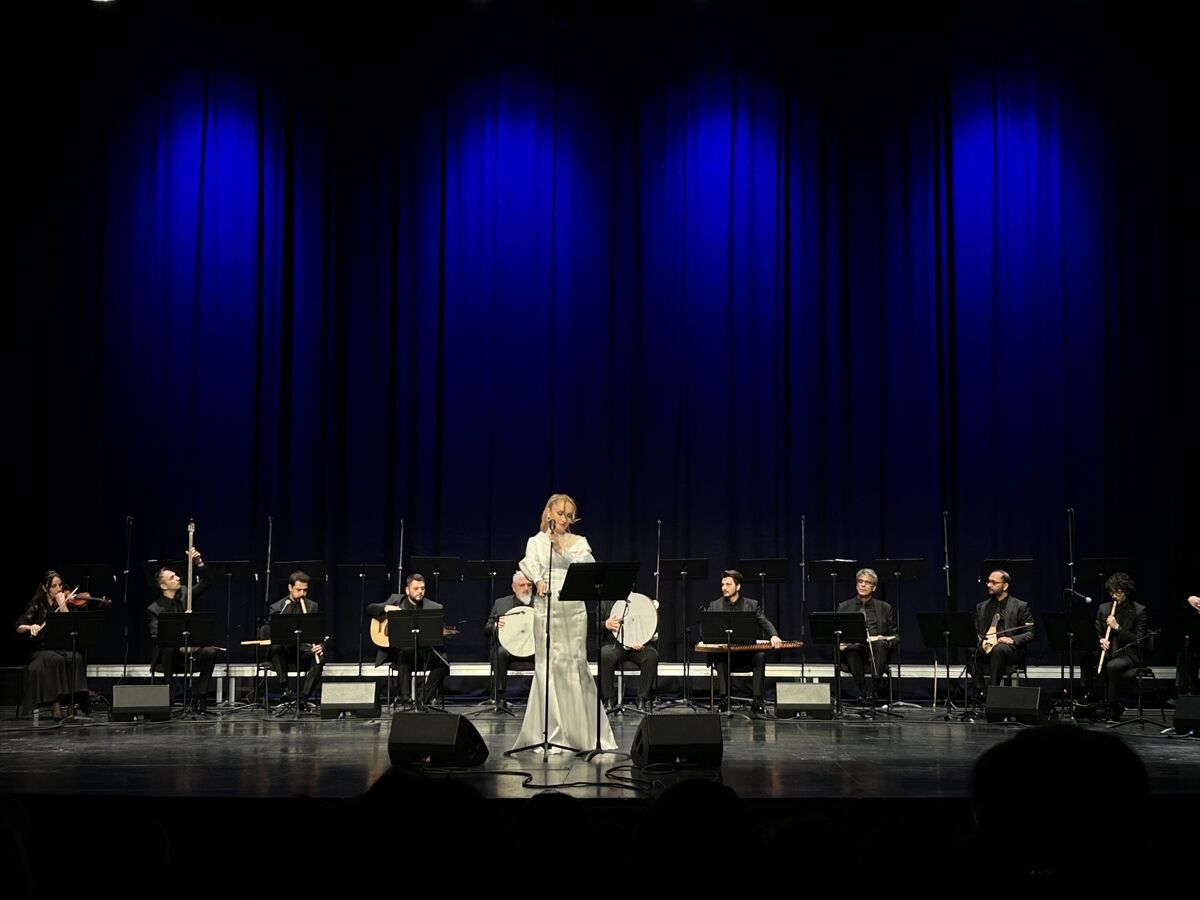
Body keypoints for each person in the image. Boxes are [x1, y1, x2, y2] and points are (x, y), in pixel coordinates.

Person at [512, 493, 616, 753]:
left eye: (569, 516)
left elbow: (589, 567)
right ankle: (550, 731)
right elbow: (530, 564)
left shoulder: (579, 542)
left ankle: (579, 733)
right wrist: (538, 581)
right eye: (560, 514)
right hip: (546, 606)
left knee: (574, 663)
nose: (564, 520)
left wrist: (561, 550)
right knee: (548, 664)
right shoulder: (536, 541)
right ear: (548, 513)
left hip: (572, 607)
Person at [146, 548, 218, 711]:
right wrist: (180, 625)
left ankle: (201, 697)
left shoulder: (185, 593)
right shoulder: (155, 609)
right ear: (163, 586)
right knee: (168, 647)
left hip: (190, 650)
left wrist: (199, 563)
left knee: (210, 651)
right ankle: (168, 694)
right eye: (172, 577)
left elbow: (207, 582)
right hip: (171, 656)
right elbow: (157, 636)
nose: (178, 578)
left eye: (176, 575)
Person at [14, 571, 90, 720]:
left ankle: (72, 705)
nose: (58, 589)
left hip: (60, 648)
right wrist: (30, 627)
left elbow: (70, 627)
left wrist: (62, 605)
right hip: (40, 650)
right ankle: (56, 705)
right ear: (45, 588)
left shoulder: (64, 604)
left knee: (77, 657)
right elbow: (18, 626)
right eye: (54, 586)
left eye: (60, 585)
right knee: (55, 659)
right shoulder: (37, 605)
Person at [366, 573, 449, 708]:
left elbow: (440, 629)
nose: (420, 591)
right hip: (402, 655)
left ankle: (423, 701)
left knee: (444, 663)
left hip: (424, 654)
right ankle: (405, 698)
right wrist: (385, 608)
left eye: (422, 588)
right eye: (416, 588)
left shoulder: (433, 607)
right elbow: (370, 609)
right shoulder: (395, 600)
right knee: (406, 653)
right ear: (407, 590)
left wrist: (443, 633)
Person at [707, 569, 782, 714]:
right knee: (720, 657)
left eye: (728, 584)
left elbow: (764, 622)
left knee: (760, 656)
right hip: (727, 656)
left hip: (747, 656)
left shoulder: (752, 605)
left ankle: (758, 700)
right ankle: (724, 700)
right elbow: (705, 628)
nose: (724, 588)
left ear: (738, 586)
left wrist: (773, 635)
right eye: (722, 585)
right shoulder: (715, 605)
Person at [263, 570, 326, 706]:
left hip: (302, 651)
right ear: (290, 588)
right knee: (276, 648)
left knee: (319, 659)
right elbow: (270, 633)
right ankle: (285, 690)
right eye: (298, 590)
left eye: (305, 590)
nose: (302, 594)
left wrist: (320, 646)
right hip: (284, 652)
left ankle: (303, 698)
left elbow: (320, 633)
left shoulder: (312, 606)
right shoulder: (277, 607)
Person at [971, 569, 1034, 700]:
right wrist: (977, 637)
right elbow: (976, 630)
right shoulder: (981, 607)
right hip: (987, 647)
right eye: (988, 582)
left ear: (1005, 586)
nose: (989, 585)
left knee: (999, 649)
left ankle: (993, 693)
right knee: (972, 650)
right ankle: (981, 691)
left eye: (994, 582)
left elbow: (1030, 633)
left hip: (1011, 651)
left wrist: (1012, 639)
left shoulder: (1020, 606)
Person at [836, 567, 896, 702]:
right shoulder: (844, 607)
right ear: (856, 584)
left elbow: (895, 635)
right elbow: (837, 634)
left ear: (874, 587)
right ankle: (863, 691)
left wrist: (884, 640)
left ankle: (875, 687)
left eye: (867, 582)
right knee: (852, 650)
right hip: (853, 649)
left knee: (880, 644)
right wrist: (839, 643)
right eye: (860, 581)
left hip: (876, 651)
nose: (863, 585)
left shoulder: (885, 608)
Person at [1095, 571, 1149, 721]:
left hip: (1130, 654)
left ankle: (1113, 706)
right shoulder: (1103, 608)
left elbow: (1139, 640)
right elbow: (1097, 631)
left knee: (1112, 666)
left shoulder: (1139, 610)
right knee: (1086, 658)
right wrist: (1101, 640)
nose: (1114, 596)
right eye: (1111, 592)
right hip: (1109, 651)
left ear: (1126, 591)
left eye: (1118, 593)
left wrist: (1117, 627)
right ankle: (1087, 699)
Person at [598, 594, 660, 713]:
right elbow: (593, 624)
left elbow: (649, 624)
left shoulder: (639, 600)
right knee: (605, 654)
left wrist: (642, 639)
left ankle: (642, 698)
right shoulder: (605, 602)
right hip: (614, 644)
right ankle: (608, 699)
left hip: (637, 646)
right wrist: (605, 624)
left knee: (651, 655)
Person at [484, 571, 535, 711]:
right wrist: (495, 626)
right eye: (522, 585)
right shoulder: (501, 604)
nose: (526, 588)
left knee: (548, 654)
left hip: (533, 651)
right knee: (499, 653)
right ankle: (500, 699)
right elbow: (487, 629)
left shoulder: (540, 604)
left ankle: (543, 699)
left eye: (529, 585)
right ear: (513, 587)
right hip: (509, 651)